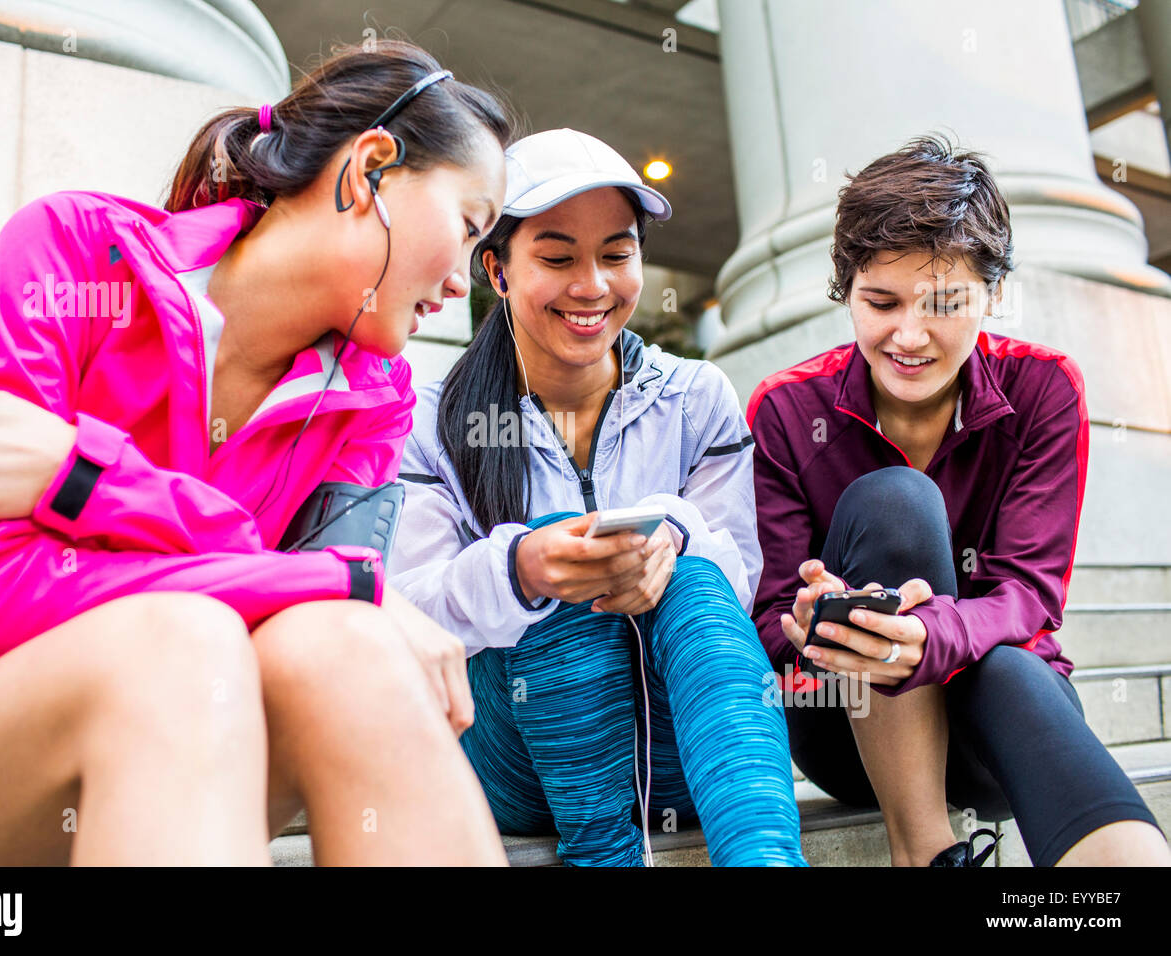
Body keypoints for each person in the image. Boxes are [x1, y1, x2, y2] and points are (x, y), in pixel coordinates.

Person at [0, 40, 511, 866]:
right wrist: (334, 583)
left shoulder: (376, 399)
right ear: (371, 170)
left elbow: (329, 613)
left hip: (179, 757)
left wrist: (78, 478)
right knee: (185, 638)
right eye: (468, 227)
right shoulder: (72, 250)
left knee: (342, 648)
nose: (466, 279)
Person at [748, 134, 1170, 867]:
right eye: (881, 301)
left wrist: (934, 637)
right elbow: (769, 620)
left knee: (1008, 666)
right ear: (846, 291)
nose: (909, 336)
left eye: (944, 304)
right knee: (896, 501)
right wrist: (812, 624)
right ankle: (927, 853)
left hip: (995, 727)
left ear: (994, 293)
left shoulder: (1043, 388)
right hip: (846, 725)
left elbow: (1029, 594)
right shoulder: (788, 409)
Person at [387, 128, 806, 866]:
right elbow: (407, 612)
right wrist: (522, 570)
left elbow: (737, 582)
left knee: (693, 572)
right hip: (513, 761)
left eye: (617, 254)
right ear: (497, 269)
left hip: (681, 746)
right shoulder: (427, 418)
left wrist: (670, 539)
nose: (592, 286)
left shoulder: (696, 396)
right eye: (556, 257)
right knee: (553, 554)